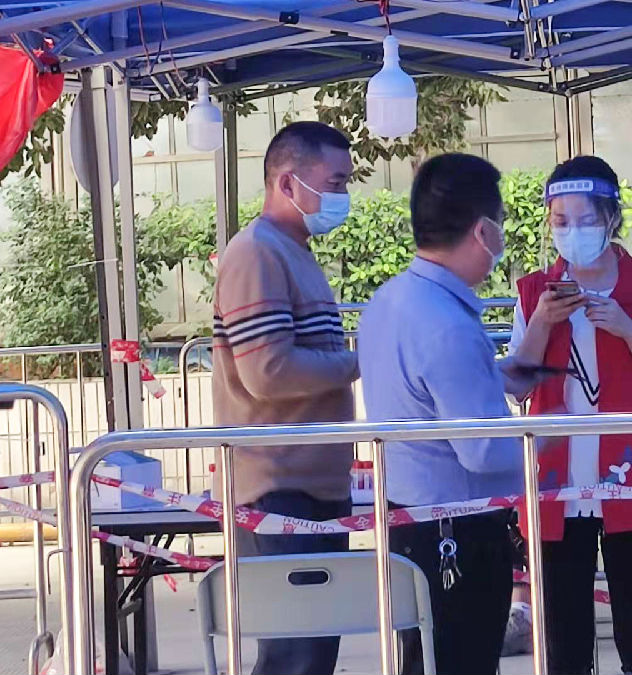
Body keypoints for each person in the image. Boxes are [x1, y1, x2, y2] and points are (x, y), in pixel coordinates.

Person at [358, 153, 546, 675]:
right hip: (458, 532)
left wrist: (493, 376)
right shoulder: (448, 324)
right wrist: (549, 441)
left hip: (409, 519)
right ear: (483, 230)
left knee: (424, 660)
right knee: (463, 660)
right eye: (500, 225)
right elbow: (483, 450)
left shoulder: (389, 300)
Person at [507, 156, 632, 675]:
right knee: (564, 635)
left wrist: (629, 330)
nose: (572, 232)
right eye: (560, 221)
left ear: (611, 219)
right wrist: (541, 323)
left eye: (585, 220)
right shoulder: (534, 292)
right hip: (556, 482)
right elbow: (517, 386)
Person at [211, 121, 359, 675]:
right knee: (295, 656)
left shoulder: (293, 251)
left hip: (310, 488)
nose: (343, 195)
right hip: (277, 489)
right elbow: (268, 373)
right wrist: (360, 361)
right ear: (289, 183)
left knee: (312, 652)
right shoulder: (256, 253)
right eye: (336, 181)